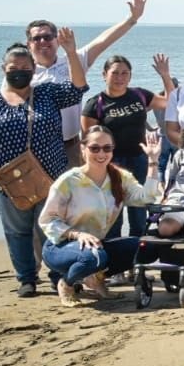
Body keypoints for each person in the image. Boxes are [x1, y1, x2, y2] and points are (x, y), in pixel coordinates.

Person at [0, 30, 89, 297]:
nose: (19, 71)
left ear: (34, 68)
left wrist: (70, 52)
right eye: (13, 68)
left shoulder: (47, 93)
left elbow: (78, 87)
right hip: (5, 180)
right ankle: (27, 279)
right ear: (3, 69)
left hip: (50, 177)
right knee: (17, 231)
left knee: (51, 228)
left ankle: (58, 276)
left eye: (24, 67)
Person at [38, 126, 162, 306]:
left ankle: (95, 278)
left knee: (149, 248)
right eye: (94, 148)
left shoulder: (119, 177)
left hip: (97, 245)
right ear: (83, 149)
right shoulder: (68, 181)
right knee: (94, 257)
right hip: (60, 246)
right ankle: (66, 283)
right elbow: (47, 220)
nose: (101, 153)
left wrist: (153, 161)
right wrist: (77, 234)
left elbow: (146, 197)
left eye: (107, 148)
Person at [27, 0, 147, 167]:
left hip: (71, 145)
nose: (43, 42)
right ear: (28, 44)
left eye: (48, 37)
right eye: (37, 38)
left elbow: (104, 40)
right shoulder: (23, 73)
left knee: (76, 193)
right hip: (37, 148)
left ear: (57, 40)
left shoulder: (73, 60)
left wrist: (132, 19)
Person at [80, 53, 172, 237]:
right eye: (115, 73)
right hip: (111, 164)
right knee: (113, 212)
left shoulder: (139, 95)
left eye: (125, 73)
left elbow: (170, 102)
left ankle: (135, 256)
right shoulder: (95, 104)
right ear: (104, 74)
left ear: (130, 75)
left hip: (139, 159)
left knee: (138, 211)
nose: (120, 78)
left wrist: (165, 75)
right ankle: (116, 257)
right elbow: (88, 142)